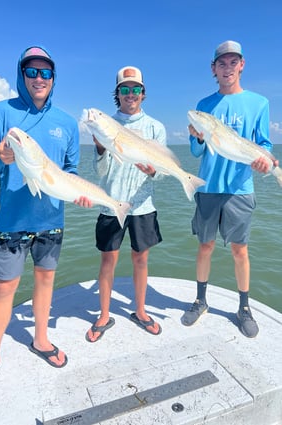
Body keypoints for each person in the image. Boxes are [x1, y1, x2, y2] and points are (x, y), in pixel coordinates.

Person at [0, 46, 91, 402]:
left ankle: (41, 339)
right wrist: (0, 156)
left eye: (46, 72)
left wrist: (78, 193)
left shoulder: (67, 123)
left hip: (52, 221)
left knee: (45, 281)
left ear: (54, 78)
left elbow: (71, 173)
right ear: (21, 74)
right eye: (32, 71)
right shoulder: (0, 112)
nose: (39, 78)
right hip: (11, 222)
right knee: (5, 289)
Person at [184, 40, 279, 338]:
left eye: (233, 62)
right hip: (209, 187)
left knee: (240, 250)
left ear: (242, 65)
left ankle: (244, 307)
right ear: (213, 68)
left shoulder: (259, 103)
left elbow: (262, 144)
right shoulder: (204, 106)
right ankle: (200, 300)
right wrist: (198, 138)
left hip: (240, 188)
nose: (227, 68)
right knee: (205, 245)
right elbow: (197, 152)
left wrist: (265, 162)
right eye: (221, 63)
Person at [85, 66, 167, 342]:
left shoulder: (156, 128)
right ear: (117, 94)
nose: (130, 94)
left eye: (135, 89)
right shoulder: (105, 125)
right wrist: (99, 148)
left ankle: (141, 311)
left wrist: (153, 171)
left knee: (141, 259)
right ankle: (104, 315)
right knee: (108, 259)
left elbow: (161, 172)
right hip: (110, 204)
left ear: (143, 94)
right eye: (124, 89)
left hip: (143, 205)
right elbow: (100, 172)